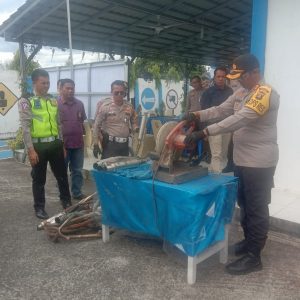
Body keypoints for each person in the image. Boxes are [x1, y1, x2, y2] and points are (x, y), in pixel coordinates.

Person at [183, 54, 280, 275]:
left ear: (255, 72)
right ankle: (248, 243)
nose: (237, 81)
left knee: (256, 207)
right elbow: (220, 110)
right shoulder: (242, 92)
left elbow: (239, 119)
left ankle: (255, 257)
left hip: (260, 162)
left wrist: (204, 132)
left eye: (241, 77)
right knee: (244, 203)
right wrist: (195, 114)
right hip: (242, 159)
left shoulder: (265, 93)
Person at [18, 69, 72, 219]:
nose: (46, 86)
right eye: (43, 83)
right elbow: (25, 127)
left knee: (62, 176)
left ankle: (66, 201)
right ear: (34, 82)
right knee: (39, 179)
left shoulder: (52, 100)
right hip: (38, 147)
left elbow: (58, 124)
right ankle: (39, 208)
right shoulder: (26, 101)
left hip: (55, 145)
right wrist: (30, 150)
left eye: (48, 83)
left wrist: (62, 144)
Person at [93, 80, 139, 159]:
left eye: (122, 93)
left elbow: (133, 121)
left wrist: (135, 130)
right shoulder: (105, 107)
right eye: (116, 93)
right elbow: (96, 126)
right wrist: (95, 144)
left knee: (123, 169)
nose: (119, 95)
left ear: (125, 93)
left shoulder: (129, 106)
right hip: (110, 145)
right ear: (111, 92)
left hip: (125, 145)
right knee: (109, 169)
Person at [58, 79, 87, 200]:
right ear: (61, 89)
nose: (70, 90)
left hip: (78, 144)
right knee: (61, 172)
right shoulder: (56, 104)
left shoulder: (80, 104)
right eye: (67, 88)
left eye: (72, 88)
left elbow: (82, 121)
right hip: (62, 146)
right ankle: (63, 194)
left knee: (77, 171)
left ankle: (77, 192)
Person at [200, 67, 233, 173]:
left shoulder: (230, 91)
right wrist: (204, 131)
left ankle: (221, 176)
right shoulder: (208, 93)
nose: (220, 79)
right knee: (216, 154)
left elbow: (232, 108)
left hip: (227, 126)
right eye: (218, 76)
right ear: (214, 78)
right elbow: (203, 112)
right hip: (213, 127)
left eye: (223, 77)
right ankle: (216, 177)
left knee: (224, 153)